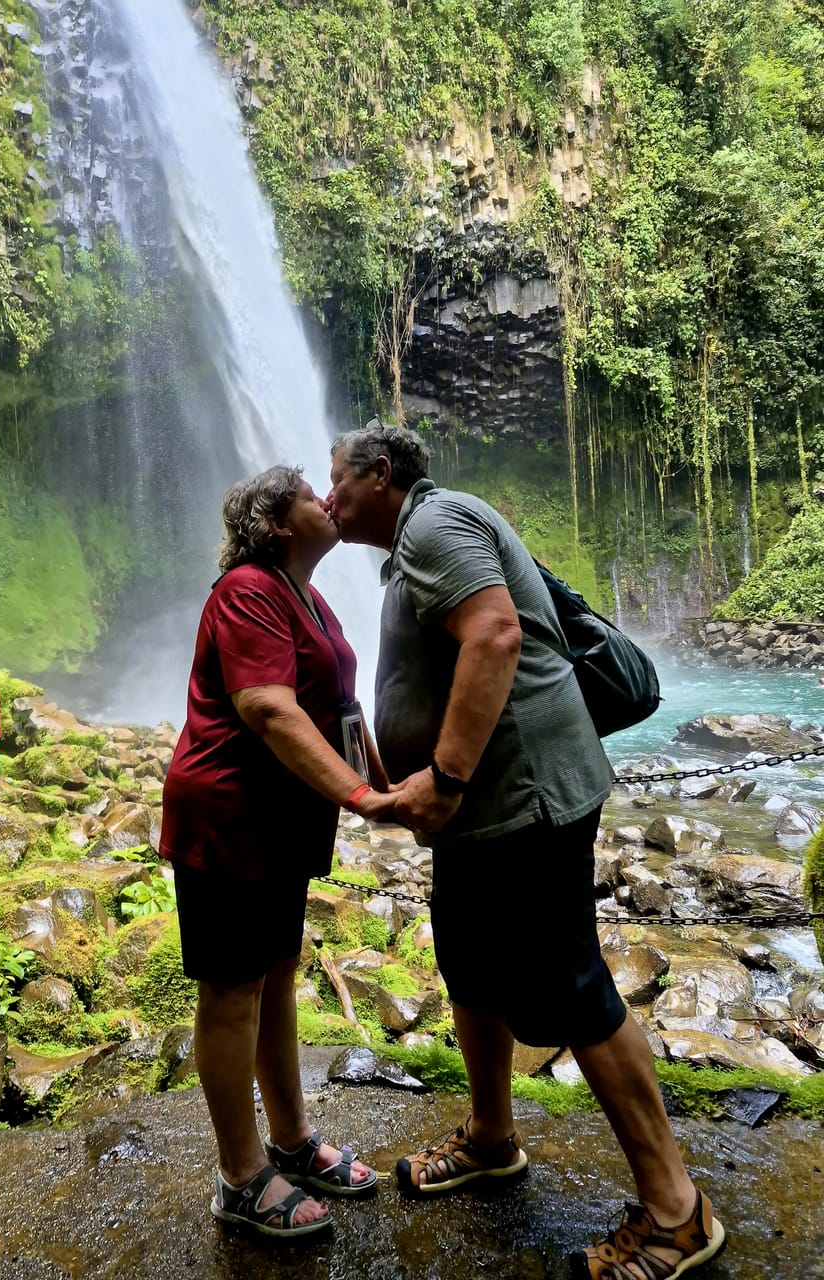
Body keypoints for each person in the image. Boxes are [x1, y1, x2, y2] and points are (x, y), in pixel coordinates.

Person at [327, 423, 726, 1280]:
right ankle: (492, 1137)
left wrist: (444, 776)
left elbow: (497, 635)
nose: (329, 500)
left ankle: (676, 1213)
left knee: (573, 990)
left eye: (338, 482)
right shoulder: (412, 544)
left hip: (521, 799)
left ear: (381, 475)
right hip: (478, 811)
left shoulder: (435, 526)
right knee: (468, 966)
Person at [161, 465, 395, 1239]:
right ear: (276, 525)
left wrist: (392, 793)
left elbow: (340, 711)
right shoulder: (248, 590)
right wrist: (361, 799)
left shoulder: (309, 596)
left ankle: (290, 1141)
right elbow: (266, 704)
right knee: (231, 993)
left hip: (282, 821)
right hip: (228, 813)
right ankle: (239, 1174)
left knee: (275, 976)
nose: (325, 497)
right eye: (306, 491)